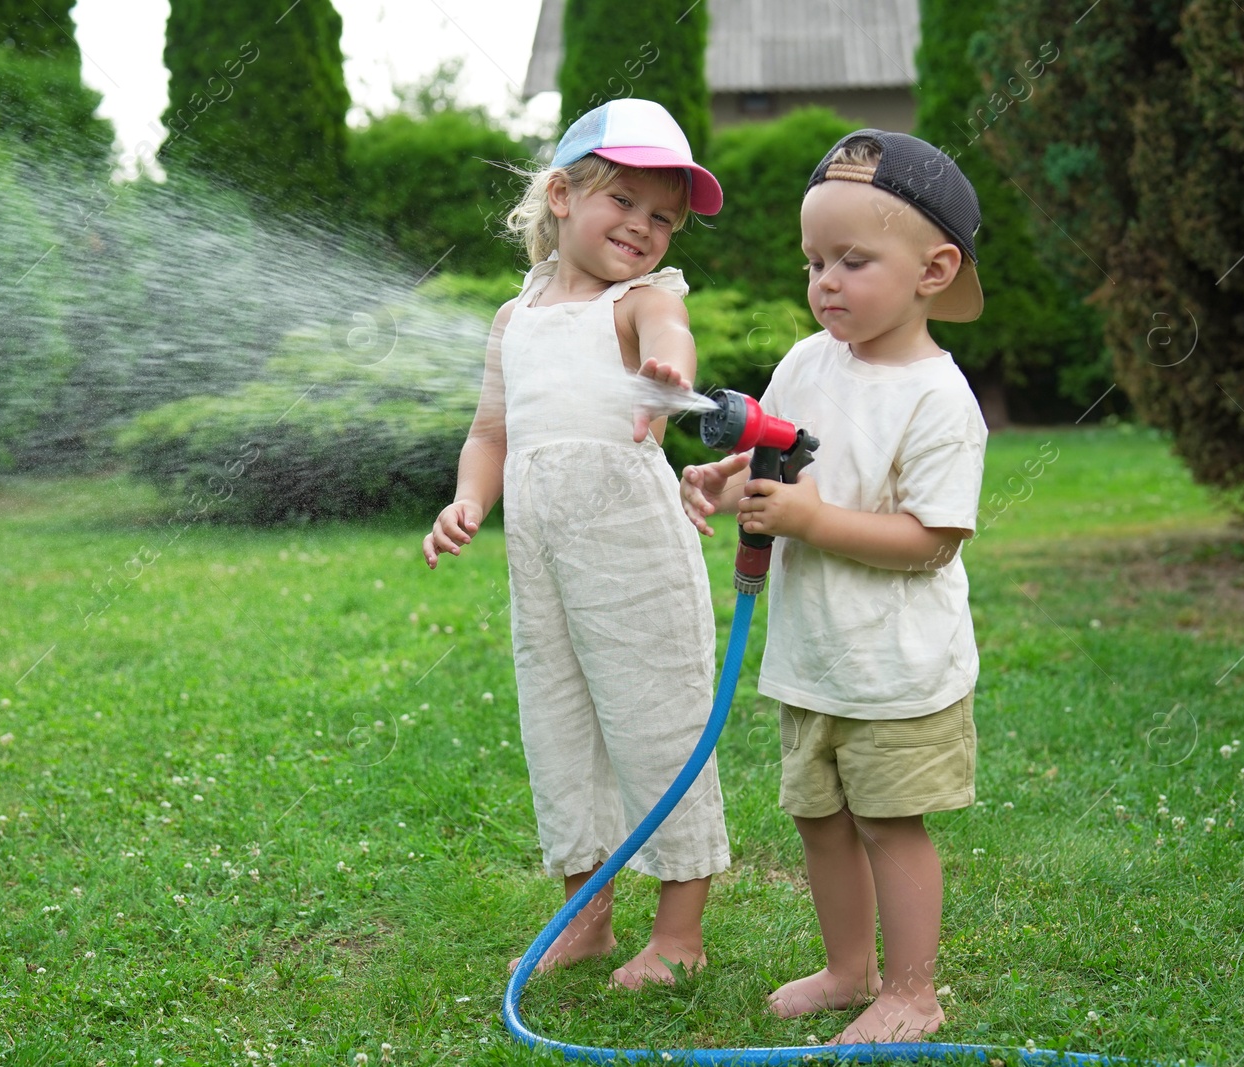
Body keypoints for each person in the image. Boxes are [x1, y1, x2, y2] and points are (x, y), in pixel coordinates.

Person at [680, 130, 988, 1043]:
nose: (826, 282)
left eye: (854, 261)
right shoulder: (808, 361)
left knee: (891, 825)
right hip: (814, 657)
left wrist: (812, 523)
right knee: (822, 823)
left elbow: (931, 539)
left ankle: (913, 991)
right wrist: (728, 481)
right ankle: (850, 969)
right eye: (815, 260)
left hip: (898, 670)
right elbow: (784, 460)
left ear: (934, 269)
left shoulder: (939, 399)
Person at [422, 99, 730, 990]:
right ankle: (585, 919)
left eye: (662, 217)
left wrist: (670, 368)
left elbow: (669, 333)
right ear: (560, 195)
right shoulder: (513, 319)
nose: (642, 227)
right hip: (543, 558)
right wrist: (467, 501)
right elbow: (490, 432)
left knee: (657, 717)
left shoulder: (641, 302)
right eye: (622, 202)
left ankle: (679, 933)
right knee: (560, 722)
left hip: (633, 552)